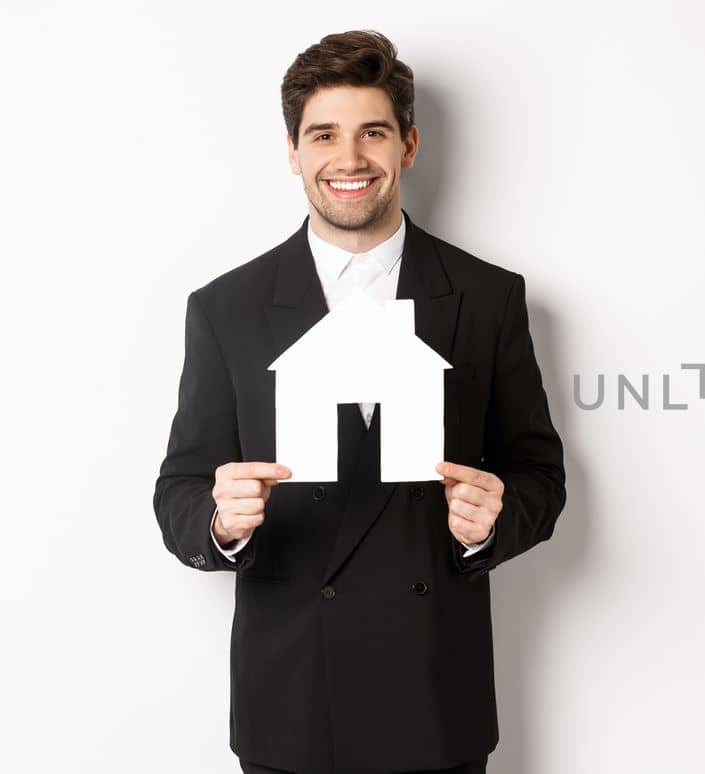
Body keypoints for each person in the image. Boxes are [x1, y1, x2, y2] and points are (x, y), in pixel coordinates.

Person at [152, 30, 566, 774]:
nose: (349, 159)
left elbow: (540, 476)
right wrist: (218, 519)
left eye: (372, 132)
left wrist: (491, 522)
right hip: (292, 707)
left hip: (435, 702)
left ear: (408, 145)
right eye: (324, 135)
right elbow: (177, 490)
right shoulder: (227, 308)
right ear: (292, 151)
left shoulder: (487, 297)